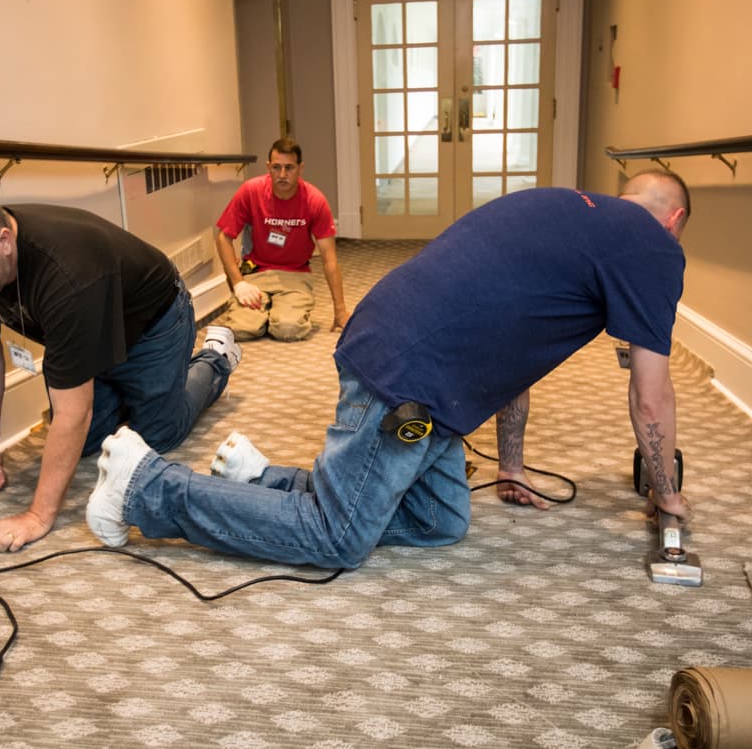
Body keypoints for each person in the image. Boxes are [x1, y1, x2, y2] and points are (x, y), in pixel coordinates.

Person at [85, 171, 692, 568]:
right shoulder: (654, 247)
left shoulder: (567, 208)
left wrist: (508, 464)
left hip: (409, 346)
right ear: (674, 220)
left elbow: (515, 342)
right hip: (409, 373)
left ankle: (262, 478)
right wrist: (667, 495)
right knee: (336, 539)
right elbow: (650, 395)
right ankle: (146, 488)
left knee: (440, 521)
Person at [0, 181, 241, 553]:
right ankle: (125, 390)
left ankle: (215, 358)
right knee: (85, 443)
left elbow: (74, 411)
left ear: (4, 242)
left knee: (157, 436)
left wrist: (37, 516)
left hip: (153, 324)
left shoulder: (68, 273)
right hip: (87, 329)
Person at [214, 137, 349, 340]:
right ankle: (260, 313)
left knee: (288, 329)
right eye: (276, 167)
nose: (282, 175)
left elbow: (330, 259)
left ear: (300, 168)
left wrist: (340, 310)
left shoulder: (314, 200)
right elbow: (224, 236)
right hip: (256, 274)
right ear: (268, 167)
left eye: (289, 168)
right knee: (241, 330)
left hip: (295, 275)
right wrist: (239, 282)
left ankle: (276, 312)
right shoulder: (251, 191)